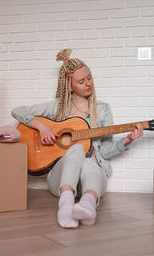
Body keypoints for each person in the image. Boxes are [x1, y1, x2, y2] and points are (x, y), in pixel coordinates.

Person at [11, 49, 144, 228]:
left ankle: (88, 205)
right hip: (61, 180)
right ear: (69, 85)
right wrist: (42, 127)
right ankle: (65, 205)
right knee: (77, 148)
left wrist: (127, 141)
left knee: (90, 162)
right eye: (81, 81)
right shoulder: (58, 107)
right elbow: (18, 111)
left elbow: (104, 152)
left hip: (92, 178)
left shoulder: (103, 109)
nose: (88, 84)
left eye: (89, 78)